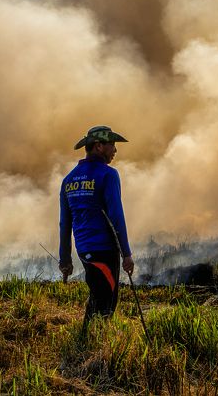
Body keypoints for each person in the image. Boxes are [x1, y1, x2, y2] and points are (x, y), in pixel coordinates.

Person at [59, 125, 135, 329]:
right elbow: (116, 216)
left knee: (97, 296)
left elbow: (65, 224)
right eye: (112, 145)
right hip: (104, 249)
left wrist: (65, 259)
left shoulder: (69, 180)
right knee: (106, 304)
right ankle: (92, 349)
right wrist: (126, 253)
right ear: (99, 146)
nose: (115, 150)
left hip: (84, 250)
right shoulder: (108, 175)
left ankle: (87, 344)